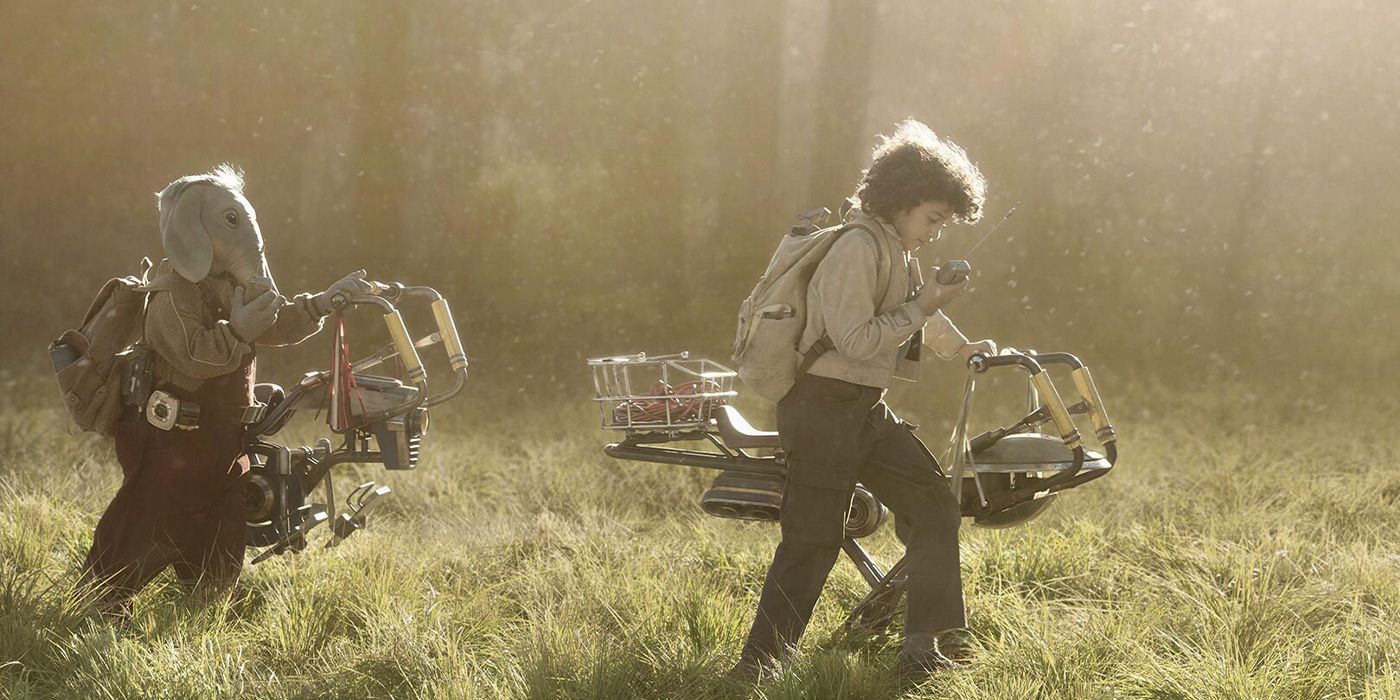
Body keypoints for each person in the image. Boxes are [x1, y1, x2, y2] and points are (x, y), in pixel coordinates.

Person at [731, 119, 997, 684]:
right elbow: (856, 340)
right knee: (813, 540)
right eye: (932, 218)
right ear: (902, 200)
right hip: (821, 407)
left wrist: (962, 346)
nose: (934, 233)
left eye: (944, 224)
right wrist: (923, 308)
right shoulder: (855, 247)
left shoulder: (895, 249)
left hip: (863, 410)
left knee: (934, 507)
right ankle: (756, 669)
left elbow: (917, 307)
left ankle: (929, 647)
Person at [81, 165, 371, 613]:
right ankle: (100, 600)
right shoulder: (171, 294)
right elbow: (193, 357)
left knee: (219, 520)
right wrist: (237, 332)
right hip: (171, 440)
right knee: (147, 515)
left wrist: (318, 304)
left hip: (221, 440)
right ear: (191, 231)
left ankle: (209, 601)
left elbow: (272, 321)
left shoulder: (227, 285)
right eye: (229, 223)